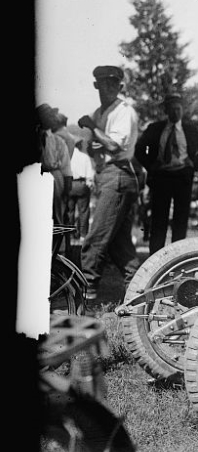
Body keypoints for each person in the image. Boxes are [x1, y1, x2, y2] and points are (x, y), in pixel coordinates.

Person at [76, 65, 142, 309]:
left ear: (120, 86)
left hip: (118, 175)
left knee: (95, 241)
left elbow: (113, 147)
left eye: (113, 83)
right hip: (108, 175)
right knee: (120, 246)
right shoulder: (100, 112)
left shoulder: (123, 111)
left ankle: (86, 301)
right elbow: (91, 146)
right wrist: (95, 142)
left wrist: (92, 128)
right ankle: (138, 299)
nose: (109, 87)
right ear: (96, 85)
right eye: (104, 83)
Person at [135, 92, 198, 254]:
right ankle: (155, 257)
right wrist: (151, 166)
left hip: (182, 177)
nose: (176, 113)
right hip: (161, 178)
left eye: (179, 109)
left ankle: (177, 257)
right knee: (159, 220)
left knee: (180, 220)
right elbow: (139, 149)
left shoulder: (190, 130)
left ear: (182, 110)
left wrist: (193, 165)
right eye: (172, 109)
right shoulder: (155, 129)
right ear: (167, 111)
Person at [37, 103, 72, 224]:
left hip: (54, 178)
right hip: (34, 179)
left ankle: (56, 241)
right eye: (50, 116)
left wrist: (67, 189)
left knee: (55, 218)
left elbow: (66, 167)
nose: (53, 119)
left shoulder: (58, 141)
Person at [67, 127, 97, 242]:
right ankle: (83, 235)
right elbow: (89, 175)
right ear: (79, 145)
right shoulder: (85, 157)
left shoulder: (67, 157)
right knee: (83, 211)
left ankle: (69, 235)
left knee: (69, 211)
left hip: (70, 184)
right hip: (81, 184)